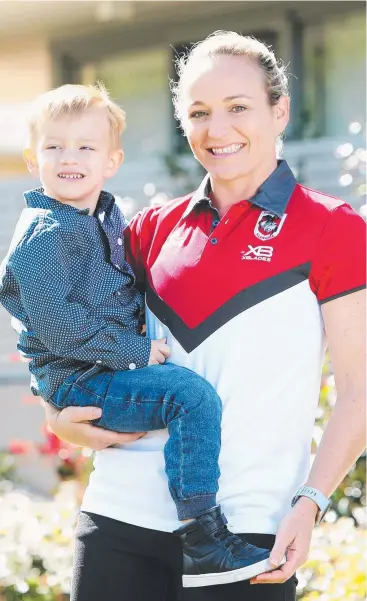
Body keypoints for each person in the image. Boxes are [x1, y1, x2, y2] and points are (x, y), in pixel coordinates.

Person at [44, 31, 365, 601]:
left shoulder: (333, 228)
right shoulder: (147, 229)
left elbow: (359, 393)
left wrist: (310, 503)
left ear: (279, 110)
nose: (217, 130)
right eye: (198, 113)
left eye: (238, 107)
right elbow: (68, 328)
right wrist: (58, 414)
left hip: (244, 533)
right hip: (119, 518)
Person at [0, 83, 285, 588]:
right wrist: (136, 352)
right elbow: (59, 328)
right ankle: (201, 536)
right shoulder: (45, 235)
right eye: (54, 147)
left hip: (98, 374)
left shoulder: (102, 220)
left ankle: (200, 531)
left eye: (86, 147)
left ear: (112, 161)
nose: (70, 158)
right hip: (86, 381)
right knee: (190, 397)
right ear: (31, 158)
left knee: (187, 395)